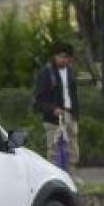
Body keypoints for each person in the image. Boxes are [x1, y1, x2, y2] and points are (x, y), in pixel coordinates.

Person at [33, 42, 79, 171]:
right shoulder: (46, 72)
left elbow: (74, 94)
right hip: (53, 117)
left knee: (72, 145)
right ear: (55, 56)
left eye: (66, 57)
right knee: (54, 148)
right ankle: (54, 174)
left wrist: (75, 114)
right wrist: (52, 108)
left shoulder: (70, 71)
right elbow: (39, 98)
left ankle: (71, 173)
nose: (63, 60)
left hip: (70, 113)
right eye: (61, 56)